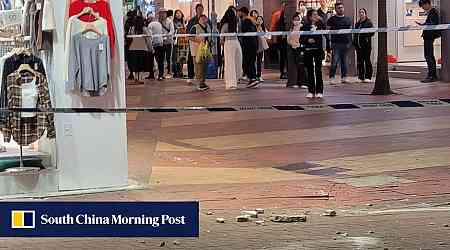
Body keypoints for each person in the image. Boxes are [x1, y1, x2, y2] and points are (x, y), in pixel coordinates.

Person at [301, 9, 325, 98]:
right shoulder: (305, 26)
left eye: (317, 14)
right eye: (314, 14)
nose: (316, 16)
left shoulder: (320, 24)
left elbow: (325, 31)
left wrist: (321, 20)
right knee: (310, 71)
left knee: (318, 70)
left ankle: (320, 91)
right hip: (308, 50)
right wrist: (307, 40)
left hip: (318, 50)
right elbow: (301, 39)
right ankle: (311, 91)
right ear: (310, 16)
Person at [327, 2, 353, 84]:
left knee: (344, 61)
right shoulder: (331, 19)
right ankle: (332, 77)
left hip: (345, 43)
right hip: (336, 43)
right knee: (334, 61)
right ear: (335, 9)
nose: (340, 9)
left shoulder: (348, 19)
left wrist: (350, 42)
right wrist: (329, 41)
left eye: (342, 7)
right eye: (339, 8)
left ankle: (344, 77)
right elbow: (327, 30)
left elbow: (350, 31)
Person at [417, 0, 441, 83]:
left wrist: (425, 25)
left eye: (423, 6)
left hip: (429, 37)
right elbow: (431, 23)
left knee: (428, 56)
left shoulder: (433, 12)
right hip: (428, 36)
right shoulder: (432, 12)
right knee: (429, 55)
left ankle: (432, 76)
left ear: (427, 4)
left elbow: (433, 23)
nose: (423, 8)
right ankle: (431, 75)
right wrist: (424, 24)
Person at [220, 8, 243, 90]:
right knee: (230, 63)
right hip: (229, 42)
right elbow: (221, 38)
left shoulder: (236, 23)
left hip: (236, 42)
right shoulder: (226, 25)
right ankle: (230, 83)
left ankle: (236, 79)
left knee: (238, 61)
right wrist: (223, 45)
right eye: (234, 13)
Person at [238, 7, 260, 88]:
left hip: (248, 45)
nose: (238, 14)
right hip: (253, 44)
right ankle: (252, 78)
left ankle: (252, 78)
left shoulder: (246, 21)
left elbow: (246, 33)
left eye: (239, 12)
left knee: (247, 62)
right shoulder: (251, 20)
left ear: (243, 12)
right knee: (251, 62)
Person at [190, 14, 211, 91]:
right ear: (199, 20)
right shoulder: (195, 27)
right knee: (198, 67)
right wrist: (198, 40)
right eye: (202, 19)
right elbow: (190, 37)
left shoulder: (208, 27)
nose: (204, 20)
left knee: (204, 67)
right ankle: (199, 83)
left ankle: (202, 82)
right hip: (196, 51)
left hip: (205, 50)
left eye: (205, 19)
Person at [354, 8, 374, 83]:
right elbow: (355, 34)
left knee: (367, 60)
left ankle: (368, 77)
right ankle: (361, 77)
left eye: (362, 12)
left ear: (365, 13)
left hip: (366, 46)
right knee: (360, 61)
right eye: (360, 12)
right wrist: (355, 42)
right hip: (358, 46)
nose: (361, 14)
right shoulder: (357, 23)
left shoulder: (368, 22)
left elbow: (372, 33)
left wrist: (365, 35)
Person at [287, 13, 306, 88]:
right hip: (292, 48)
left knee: (301, 65)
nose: (296, 21)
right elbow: (288, 39)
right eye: (295, 19)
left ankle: (303, 83)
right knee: (293, 66)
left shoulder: (303, 27)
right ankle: (294, 83)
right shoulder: (291, 29)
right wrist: (292, 44)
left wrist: (299, 44)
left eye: (298, 19)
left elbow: (304, 38)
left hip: (300, 48)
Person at [186, 4, 205, 84]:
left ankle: (201, 78)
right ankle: (190, 76)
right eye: (198, 9)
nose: (200, 10)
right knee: (191, 60)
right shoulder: (192, 21)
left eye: (201, 9)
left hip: (203, 44)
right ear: (196, 10)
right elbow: (188, 33)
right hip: (193, 44)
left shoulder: (205, 19)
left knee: (202, 61)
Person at [270, 2, 288, 79]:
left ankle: (290, 72)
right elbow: (272, 26)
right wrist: (272, 38)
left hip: (290, 38)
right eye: (284, 6)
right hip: (281, 38)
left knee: (289, 56)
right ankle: (282, 72)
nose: (285, 8)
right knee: (283, 56)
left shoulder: (291, 14)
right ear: (281, 6)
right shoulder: (277, 14)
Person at [148, 10, 166, 81]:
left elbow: (150, 35)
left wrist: (150, 45)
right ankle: (160, 75)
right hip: (161, 44)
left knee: (151, 60)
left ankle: (151, 74)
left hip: (154, 44)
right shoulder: (159, 24)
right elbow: (162, 32)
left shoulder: (150, 25)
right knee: (160, 61)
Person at [173, 10, 188, 78]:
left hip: (183, 42)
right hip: (176, 42)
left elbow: (185, 30)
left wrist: (184, 24)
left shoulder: (184, 22)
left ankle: (181, 71)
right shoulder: (173, 23)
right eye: (176, 13)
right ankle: (176, 72)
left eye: (179, 13)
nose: (178, 14)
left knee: (182, 57)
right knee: (176, 58)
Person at [159, 9, 175, 76]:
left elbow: (172, 31)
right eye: (161, 13)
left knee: (168, 57)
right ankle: (161, 73)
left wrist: (167, 35)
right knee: (161, 58)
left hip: (168, 42)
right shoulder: (158, 22)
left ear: (166, 14)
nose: (162, 14)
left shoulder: (170, 21)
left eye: (163, 13)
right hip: (160, 42)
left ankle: (169, 71)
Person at [256, 16, 268, 82]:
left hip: (261, 46)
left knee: (259, 61)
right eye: (258, 19)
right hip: (255, 45)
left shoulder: (264, 28)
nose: (259, 21)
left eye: (260, 19)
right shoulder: (254, 28)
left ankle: (259, 75)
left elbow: (267, 36)